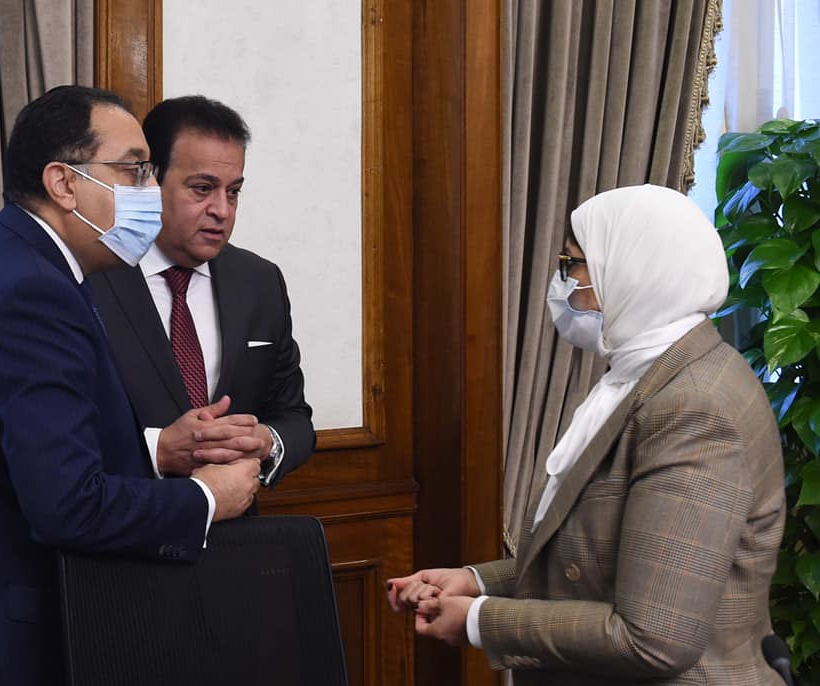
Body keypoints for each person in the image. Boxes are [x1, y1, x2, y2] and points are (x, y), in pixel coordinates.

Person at [0, 85, 263, 686]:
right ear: (64, 184)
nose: (150, 191)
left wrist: (155, 451)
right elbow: (67, 505)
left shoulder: (11, 261)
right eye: (134, 170)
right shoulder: (31, 292)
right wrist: (206, 499)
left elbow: (23, 452)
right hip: (10, 640)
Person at [387, 184, 786, 685]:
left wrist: (478, 619)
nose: (564, 282)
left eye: (573, 264)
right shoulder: (652, 371)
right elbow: (594, 557)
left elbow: (654, 637)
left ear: (633, 271)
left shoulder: (694, 407)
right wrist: (475, 581)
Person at [88, 95, 314, 488]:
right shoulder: (91, 277)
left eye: (233, 191)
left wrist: (265, 442)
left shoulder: (259, 282)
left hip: (235, 522)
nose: (222, 210)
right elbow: (62, 436)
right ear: (150, 181)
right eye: (202, 188)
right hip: (127, 518)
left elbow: (294, 418)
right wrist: (156, 449)